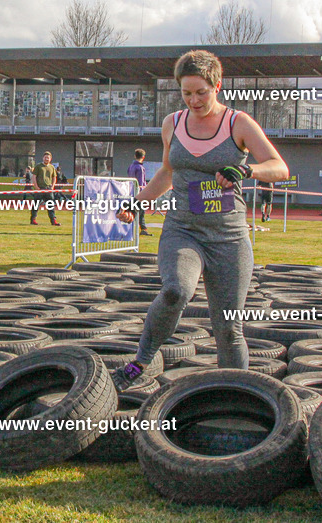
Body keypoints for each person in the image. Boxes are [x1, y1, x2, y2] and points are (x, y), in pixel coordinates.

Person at [111, 50, 289, 390]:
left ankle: (236, 394)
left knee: (228, 328)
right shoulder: (172, 123)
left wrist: (246, 169)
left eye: (201, 93)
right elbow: (166, 172)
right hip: (183, 231)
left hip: (229, 238)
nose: (193, 100)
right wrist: (136, 203)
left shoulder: (238, 123)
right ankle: (139, 364)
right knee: (176, 290)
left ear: (217, 86)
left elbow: (279, 168)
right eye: (186, 93)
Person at [30, 151, 59, 226]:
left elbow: (54, 177)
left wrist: (52, 186)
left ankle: (53, 221)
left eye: (48, 158)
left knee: (50, 205)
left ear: (50, 159)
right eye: (45, 157)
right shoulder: (38, 166)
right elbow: (34, 177)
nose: (46, 159)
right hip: (40, 189)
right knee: (36, 205)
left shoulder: (52, 167)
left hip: (48, 189)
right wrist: (36, 187)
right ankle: (33, 219)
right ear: (43, 158)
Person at [127, 149, 151, 236]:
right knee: (141, 211)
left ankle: (141, 229)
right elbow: (140, 182)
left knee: (135, 210)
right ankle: (143, 229)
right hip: (138, 192)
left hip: (131, 191)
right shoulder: (140, 168)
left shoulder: (131, 166)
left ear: (135, 156)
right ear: (143, 157)